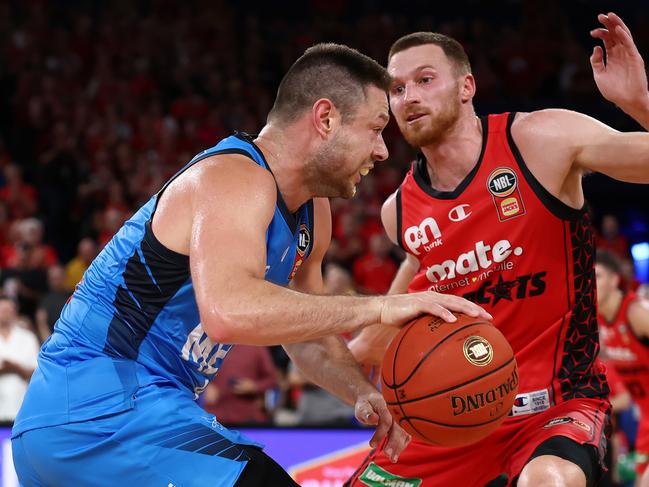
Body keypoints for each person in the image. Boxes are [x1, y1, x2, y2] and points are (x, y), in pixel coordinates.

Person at [11, 43, 489, 487]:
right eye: (374, 128)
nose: (383, 150)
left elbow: (307, 332)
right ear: (325, 118)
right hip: (96, 411)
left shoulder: (311, 212)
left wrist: (363, 392)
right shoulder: (233, 177)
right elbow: (229, 312)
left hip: (130, 412)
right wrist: (381, 308)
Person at [347, 12, 649, 487]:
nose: (411, 97)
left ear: (467, 87)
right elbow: (410, 281)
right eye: (398, 88)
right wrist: (355, 349)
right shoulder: (399, 211)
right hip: (449, 413)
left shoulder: (541, 140)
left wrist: (641, 102)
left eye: (425, 80)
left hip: (554, 405)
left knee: (547, 480)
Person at [596, 249, 649, 486]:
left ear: (615, 280)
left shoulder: (635, 313)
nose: (591, 283)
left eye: (597, 276)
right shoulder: (598, 318)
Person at [0, 296, 40, 421]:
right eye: (3, 309)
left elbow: (38, 373)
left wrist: (17, 368)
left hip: (21, 409)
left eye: (10, 309)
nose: (7, 313)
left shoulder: (28, 338)